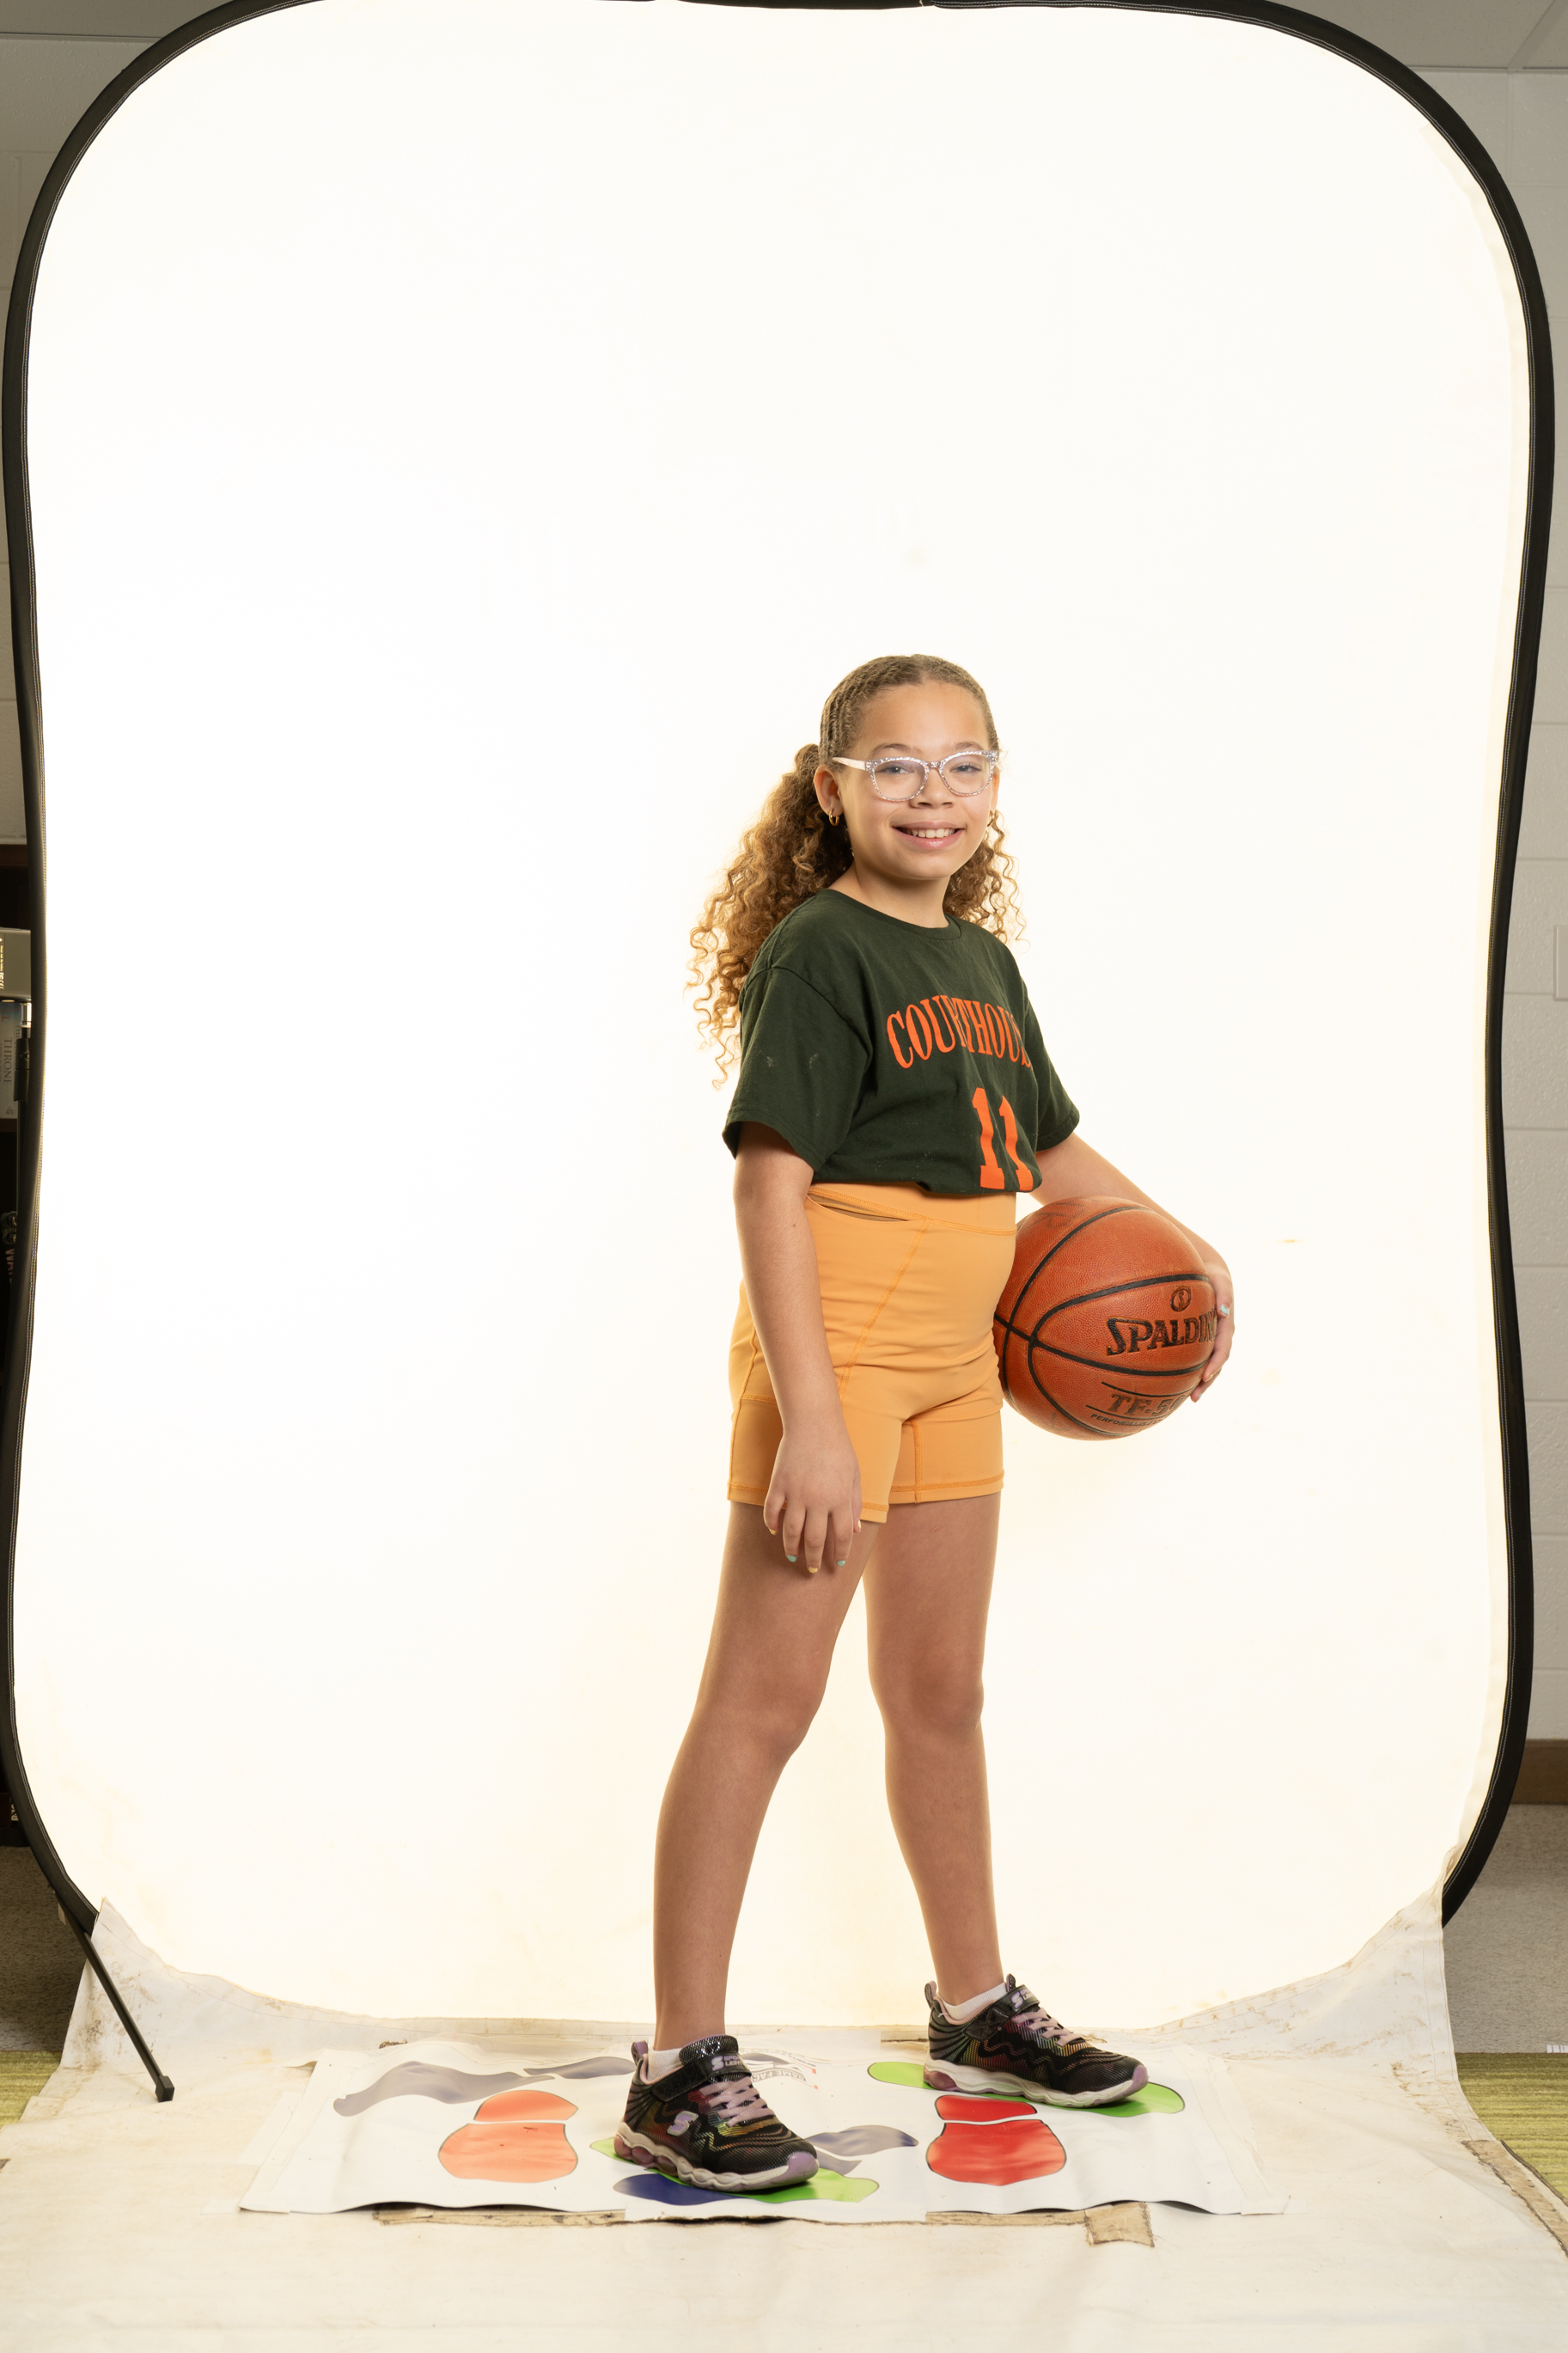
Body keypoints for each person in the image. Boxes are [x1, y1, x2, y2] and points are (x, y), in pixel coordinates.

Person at [614, 654, 1235, 2192]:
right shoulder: (820, 948)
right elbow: (767, 1183)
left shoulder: (981, 962)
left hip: (963, 1348)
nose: (930, 793)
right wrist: (813, 1417)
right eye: (894, 764)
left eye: (963, 764)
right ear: (832, 786)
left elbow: (1048, 1152)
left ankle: (974, 2008)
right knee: (760, 1703)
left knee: (938, 1688)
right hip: (841, 1338)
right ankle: (677, 2067)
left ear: (996, 787)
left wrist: (1185, 1248)